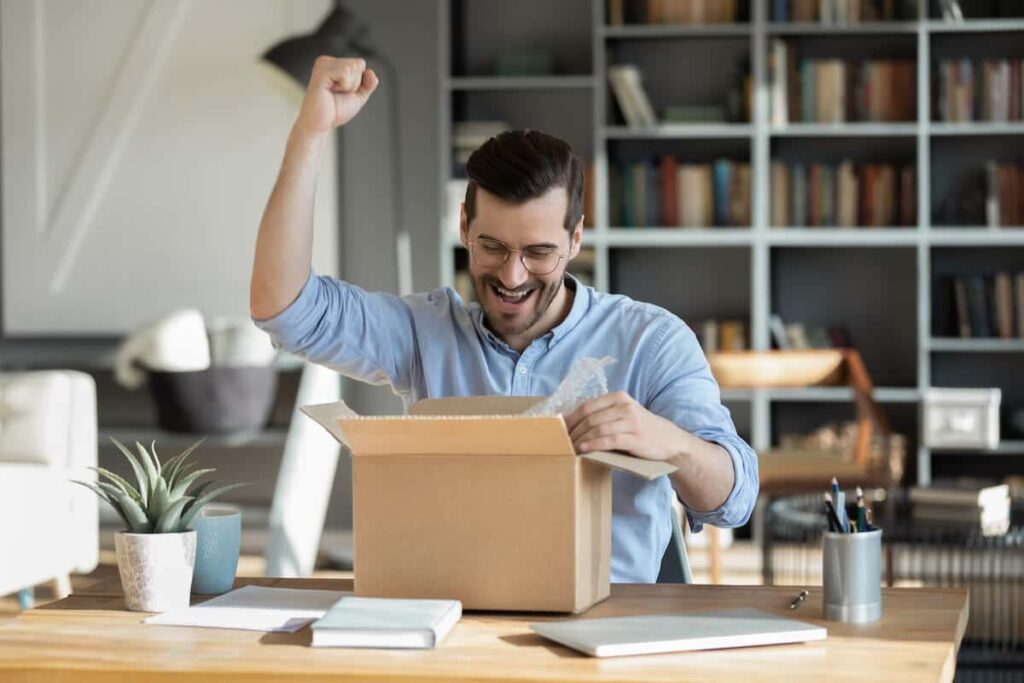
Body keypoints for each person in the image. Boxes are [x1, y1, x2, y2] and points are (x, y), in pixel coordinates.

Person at [250, 56, 758, 583]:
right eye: (492, 245)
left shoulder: (650, 340)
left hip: (608, 625)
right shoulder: (425, 334)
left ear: (576, 239)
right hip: (463, 623)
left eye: (539, 252)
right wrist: (310, 133)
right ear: (465, 225)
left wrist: (671, 441)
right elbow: (282, 308)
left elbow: (734, 500)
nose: (512, 276)